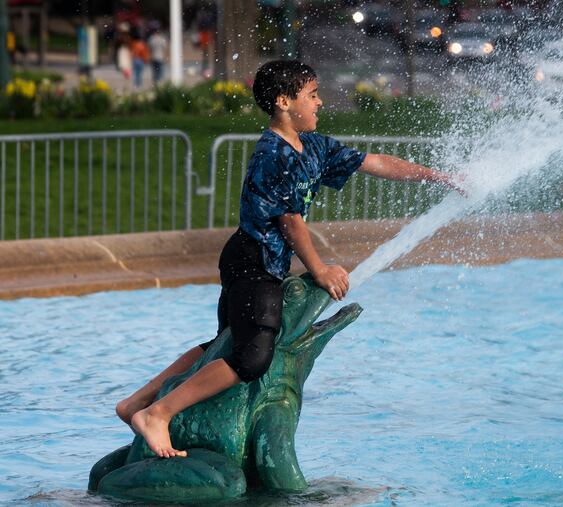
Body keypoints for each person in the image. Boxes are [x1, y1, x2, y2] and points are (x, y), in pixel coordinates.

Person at [117, 60, 463, 458]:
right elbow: (290, 222)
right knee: (251, 358)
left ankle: (136, 403)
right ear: (284, 102)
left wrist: (437, 176)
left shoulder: (313, 147)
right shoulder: (272, 153)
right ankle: (158, 413)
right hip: (253, 260)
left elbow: (375, 162)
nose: (320, 103)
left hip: (257, 260)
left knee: (222, 344)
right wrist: (320, 270)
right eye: (311, 95)